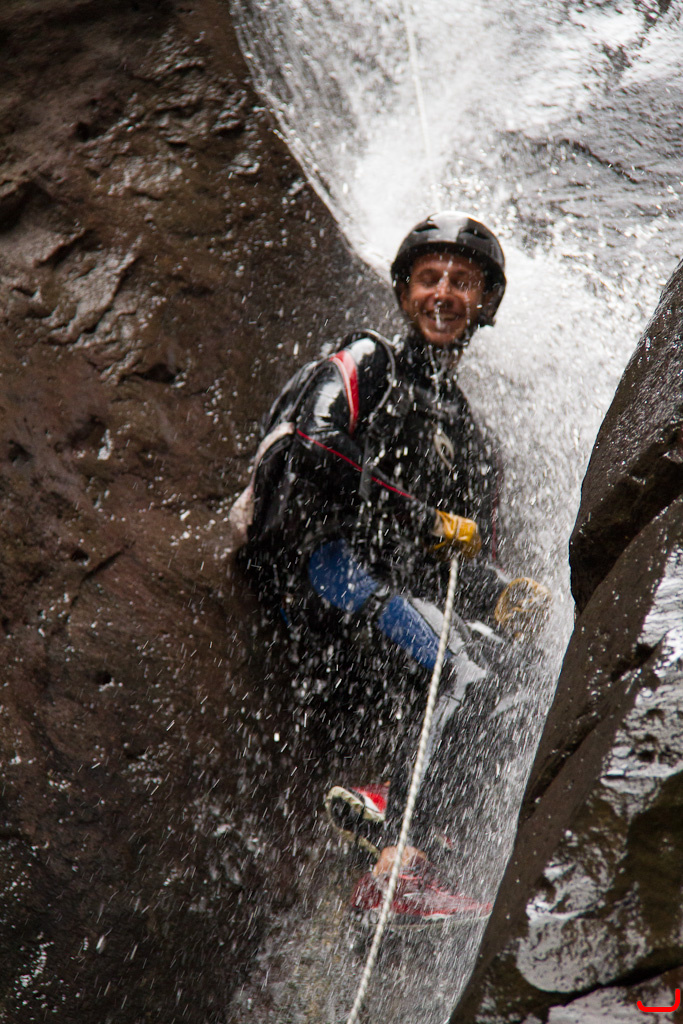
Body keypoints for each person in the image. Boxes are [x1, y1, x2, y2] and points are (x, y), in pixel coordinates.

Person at [238, 211, 550, 925]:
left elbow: (454, 565)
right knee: (463, 672)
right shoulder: (367, 360)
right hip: (325, 576)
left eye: (463, 282)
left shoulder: (472, 437)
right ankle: (394, 871)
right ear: (405, 292)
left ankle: (395, 809)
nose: (444, 293)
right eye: (429, 277)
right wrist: (424, 519)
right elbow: (316, 445)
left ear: (486, 302)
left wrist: (501, 594)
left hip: (393, 601)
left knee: (522, 678)